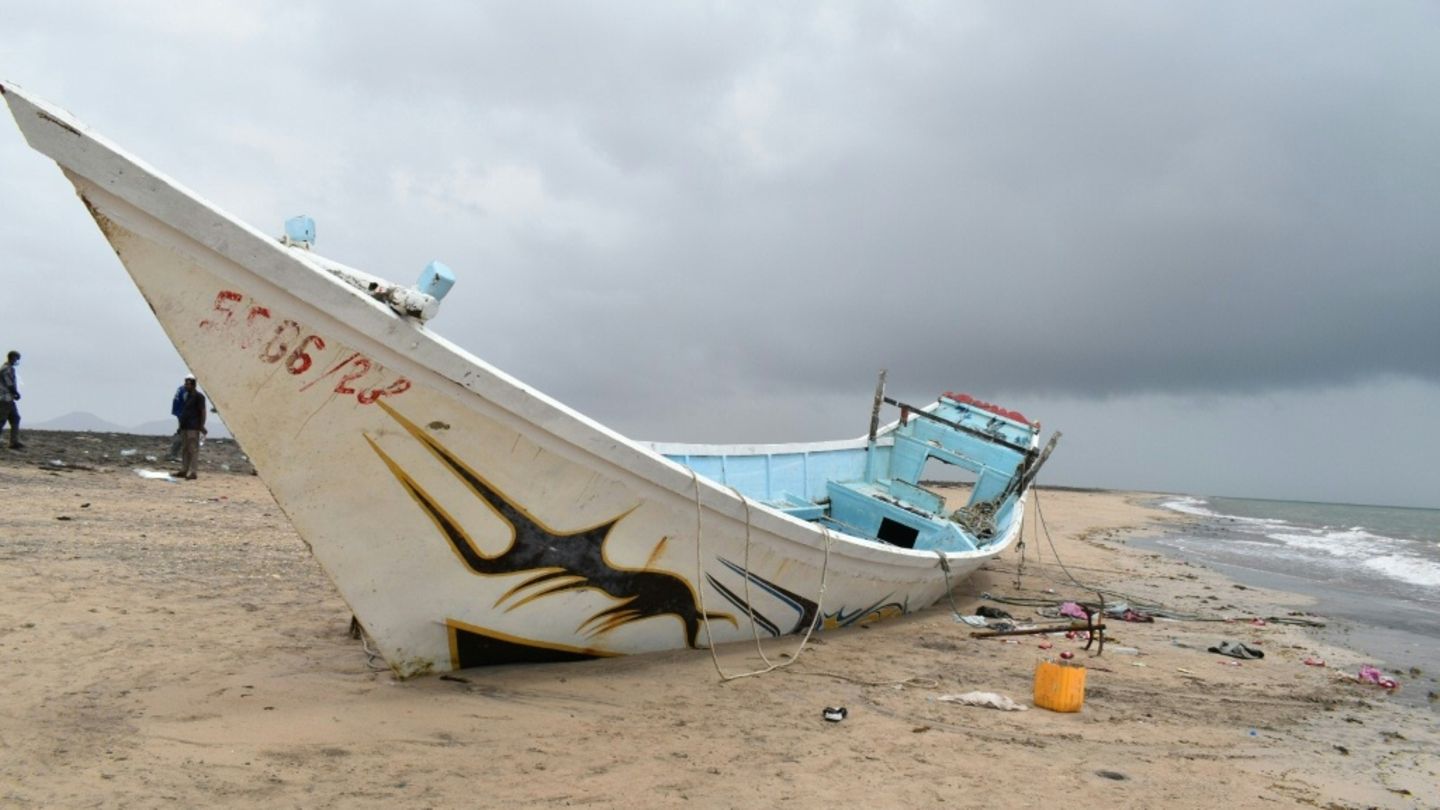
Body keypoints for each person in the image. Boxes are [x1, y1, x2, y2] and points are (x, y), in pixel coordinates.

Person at [174, 376, 207, 480]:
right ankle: (184, 470)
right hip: (185, 426)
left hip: (193, 426)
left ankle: (193, 472)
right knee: (185, 449)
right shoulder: (186, 396)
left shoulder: (199, 397)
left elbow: (203, 411)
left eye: (188, 384)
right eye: (185, 384)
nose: (186, 386)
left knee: (193, 449)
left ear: (193, 385)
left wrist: (201, 425)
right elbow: (184, 411)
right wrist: (180, 426)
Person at [0, 350, 23, 450]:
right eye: (16, 358)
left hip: (9, 398)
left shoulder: (8, 368)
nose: (16, 361)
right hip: (4, 398)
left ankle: (14, 442)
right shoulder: (7, 369)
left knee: (15, 418)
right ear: (12, 357)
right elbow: (9, 383)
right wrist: (16, 393)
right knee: (1, 420)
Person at [167, 375, 193, 461]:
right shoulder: (186, 391)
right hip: (183, 414)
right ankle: (174, 454)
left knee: (182, 432)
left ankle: (175, 454)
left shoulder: (180, 389)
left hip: (180, 413)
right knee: (183, 433)